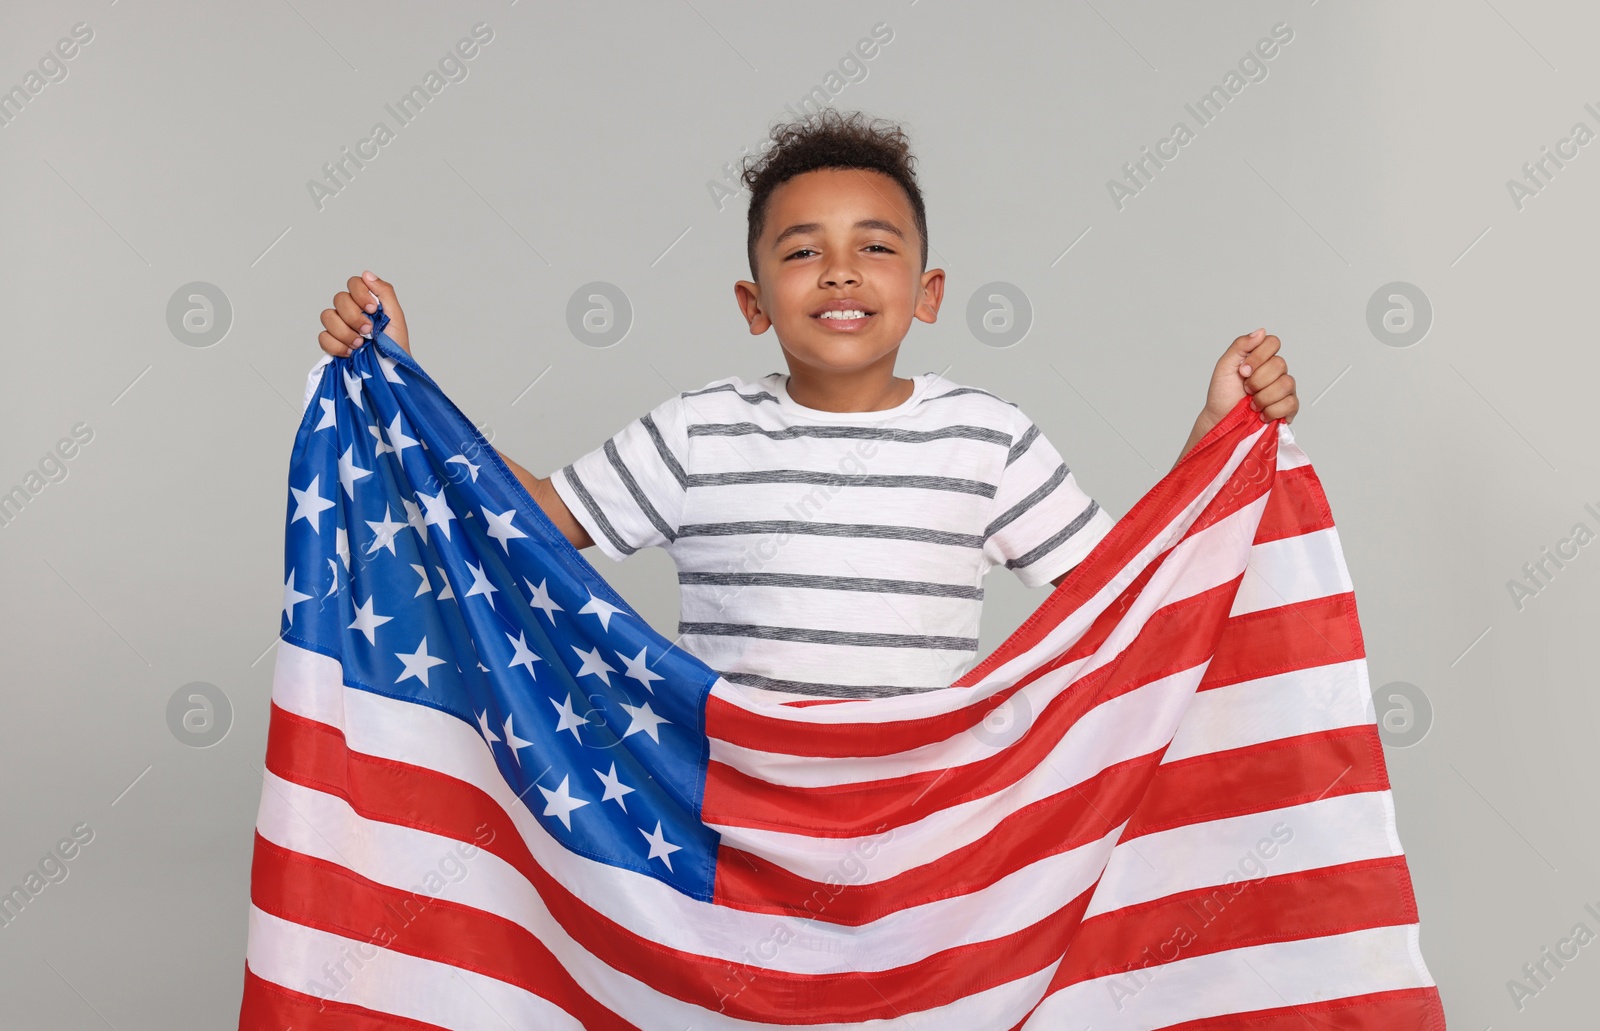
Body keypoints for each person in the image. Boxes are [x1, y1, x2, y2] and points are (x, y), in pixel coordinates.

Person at [313, 109, 1298, 700]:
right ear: (753, 304)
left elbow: (1124, 587)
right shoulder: (697, 432)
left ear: (928, 291)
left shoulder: (987, 440)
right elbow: (529, 520)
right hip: (734, 814)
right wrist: (407, 382)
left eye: (875, 246)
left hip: (925, 813)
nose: (838, 271)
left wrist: (1213, 441)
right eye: (799, 251)